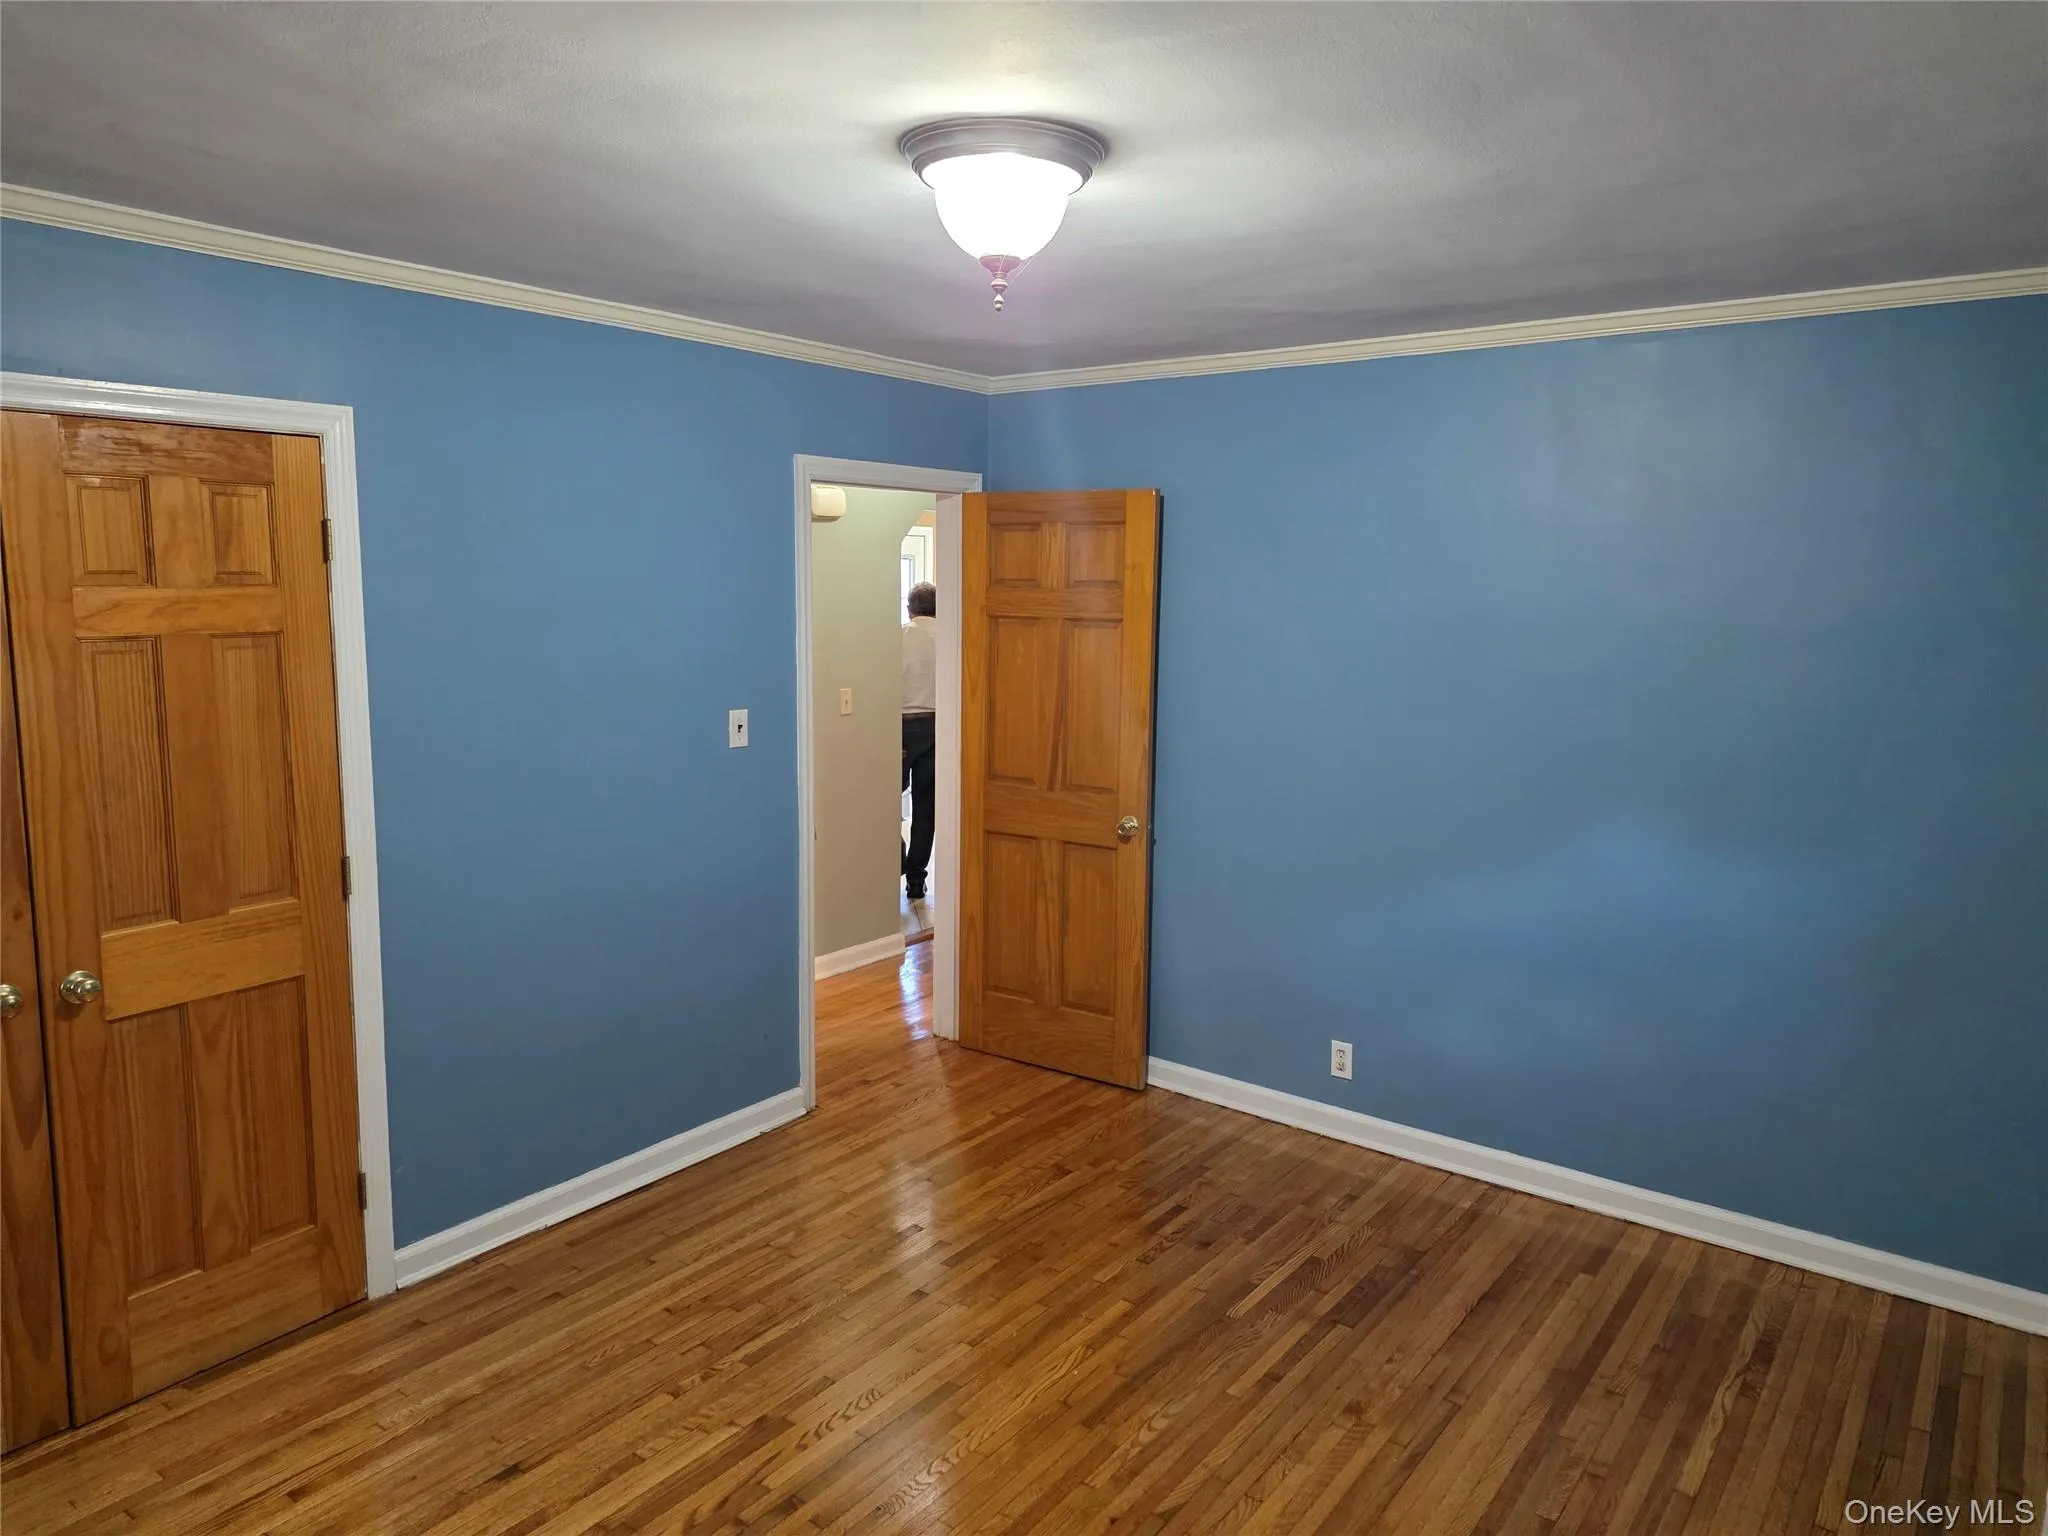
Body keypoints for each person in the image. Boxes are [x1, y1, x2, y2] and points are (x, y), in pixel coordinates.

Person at [900, 581, 937, 905]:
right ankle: (916, 880)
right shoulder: (950, 636)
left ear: (910, 608)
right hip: (940, 726)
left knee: (884, 801)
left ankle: (894, 862)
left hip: (900, 726)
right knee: (926, 808)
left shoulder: (900, 635)